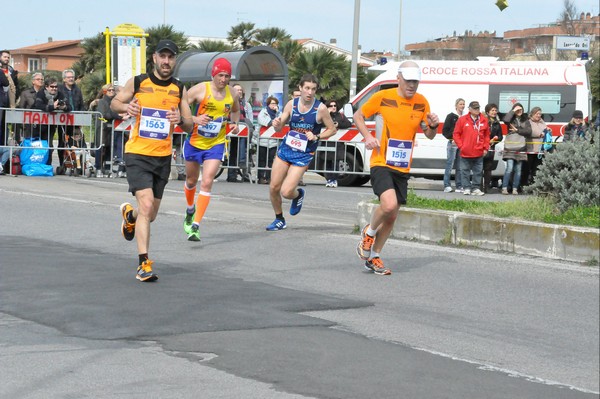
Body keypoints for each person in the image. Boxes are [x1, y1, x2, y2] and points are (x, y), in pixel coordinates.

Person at [110, 39, 193, 282]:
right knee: (146, 206)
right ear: (154, 58)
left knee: (150, 213)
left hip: (162, 157)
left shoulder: (179, 88)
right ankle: (143, 264)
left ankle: (130, 217)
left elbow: (188, 125)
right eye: (162, 56)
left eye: (171, 57)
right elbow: (115, 102)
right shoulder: (138, 82)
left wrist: (180, 118)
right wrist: (128, 108)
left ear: (174, 60)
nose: (166, 61)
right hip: (137, 153)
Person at [355, 61, 439, 275]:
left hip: (402, 165)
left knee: (392, 216)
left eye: (416, 81)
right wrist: (368, 136)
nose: (412, 85)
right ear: (399, 78)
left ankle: (374, 257)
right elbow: (358, 115)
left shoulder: (422, 103)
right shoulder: (383, 97)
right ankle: (369, 231)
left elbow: (428, 133)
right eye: (409, 80)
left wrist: (434, 126)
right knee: (389, 204)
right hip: (381, 161)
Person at [267, 74, 336, 231]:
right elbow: (279, 126)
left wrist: (317, 136)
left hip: (304, 154)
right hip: (286, 150)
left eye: (313, 89)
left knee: (286, 191)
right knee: (273, 187)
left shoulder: (321, 109)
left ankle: (298, 195)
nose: (309, 92)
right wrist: (276, 123)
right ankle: (279, 219)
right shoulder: (292, 104)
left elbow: (332, 129)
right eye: (306, 88)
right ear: (300, 88)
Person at [182, 57, 240, 242]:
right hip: (195, 141)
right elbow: (179, 107)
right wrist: (194, 119)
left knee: (206, 182)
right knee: (191, 181)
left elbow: (236, 110)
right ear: (213, 74)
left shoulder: (232, 93)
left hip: (216, 143)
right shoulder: (200, 89)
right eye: (221, 75)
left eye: (227, 76)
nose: (224, 79)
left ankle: (196, 226)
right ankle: (190, 209)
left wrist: (236, 123)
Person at [453, 101, 490, 196]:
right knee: (465, 171)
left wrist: (485, 148)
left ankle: (476, 188)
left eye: (478, 108)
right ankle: (466, 188)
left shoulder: (484, 120)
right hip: (466, 151)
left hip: (479, 151)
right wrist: (461, 146)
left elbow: (486, 135)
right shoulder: (462, 119)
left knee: (478, 171)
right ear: (469, 109)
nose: (477, 110)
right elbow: (456, 134)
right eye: (474, 108)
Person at [34, 77, 70, 166]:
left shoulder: (60, 94)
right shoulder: (41, 94)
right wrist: (52, 107)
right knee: (41, 145)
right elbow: (38, 105)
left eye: (56, 87)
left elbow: (69, 106)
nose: (54, 88)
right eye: (52, 86)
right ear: (46, 87)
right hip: (39, 125)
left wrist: (64, 107)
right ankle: (40, 164)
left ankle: (49, 165)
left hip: (53, 124)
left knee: (50, 145)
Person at [97, 84, 127, 177]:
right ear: (105, 92)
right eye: (109, 90)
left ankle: (107, 168)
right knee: (101, 147)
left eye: (113, 90)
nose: (112, 92)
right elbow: (105, 114)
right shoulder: (102, 102)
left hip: (113, 128)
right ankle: (98, 168)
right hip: (103, 128)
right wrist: (118, 116)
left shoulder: (116, 102)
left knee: (110, 148)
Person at [501, 102, 530, 195]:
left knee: (518, 169)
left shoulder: (526, 120)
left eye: (521, 109)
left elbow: (529, 131)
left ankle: (515, 188)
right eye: (517, 109)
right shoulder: (510, 119)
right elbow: (505, 120)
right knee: (509, 168)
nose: (519, 111)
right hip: (510, 147)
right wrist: (513, 111)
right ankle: (504, 187)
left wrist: (517, 130)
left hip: (521, 147)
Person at [58, 69, 84, 168]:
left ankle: (78, 162)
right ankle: (62, 163)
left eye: (72, 77)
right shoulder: (60, 89)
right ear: (64, 79)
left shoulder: (77, 89)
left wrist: (82, 115)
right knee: (62, 141)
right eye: (69, 77)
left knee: (78, 141)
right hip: (63, 119)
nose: (71, 79)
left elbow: (81, 104)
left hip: (76, 119)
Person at [227, 83, 253, 183]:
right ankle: (239, 163)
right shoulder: (230, 101)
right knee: (233, 152)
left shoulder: (243, 103)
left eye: (240, 90)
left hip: (241, 129)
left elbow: (245, 117)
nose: (239, 92)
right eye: (236, 90)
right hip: (232, 129)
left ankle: (232, 175)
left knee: (234, 151)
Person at [323, 100, 351, 187]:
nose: (333, 107)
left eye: (334, 105)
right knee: (327, 161)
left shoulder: (341, 115)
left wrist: (338, 124)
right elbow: (320, 123)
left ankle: (334, 179)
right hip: (327, 142)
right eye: (331, 106)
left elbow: (348, 123)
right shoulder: (325, 115)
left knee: (336, 161)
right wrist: (327, 114)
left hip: (338, 144)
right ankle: (329, 179)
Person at [442, 98, 465, 193]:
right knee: (450, 164)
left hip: (461, 144)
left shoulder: (465, 117)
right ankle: (446, 185)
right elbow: (445, 131)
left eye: (463, 104)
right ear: (456, 105)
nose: (462, 106)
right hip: (452, 144)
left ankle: (459, 186)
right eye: (460, 104)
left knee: (460, 166)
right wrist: (452, 138)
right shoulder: (451, 116)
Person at [256, 96, 280, 184]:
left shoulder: (279, 113)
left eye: (276, 103)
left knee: (271, 160)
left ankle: (270, 177)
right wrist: (273, 122)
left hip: (273, 141)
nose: (274, 105)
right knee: (262, 159)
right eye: (272, 103)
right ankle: (261, 177)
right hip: (262, 141)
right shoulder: (264, 112)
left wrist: (277, 114)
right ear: (268, 104)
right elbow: (264, 122)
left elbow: (281, 122)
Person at [523, 106, 547, 187]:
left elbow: (545, 130)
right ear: (532, 114)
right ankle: (524, 184)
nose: (538, 115)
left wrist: (548, 131)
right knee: (527, 168)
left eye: (540, 114)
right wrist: (539, 134)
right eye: (537, 114)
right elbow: (529, 132)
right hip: (530, 148)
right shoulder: (528, 122)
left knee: (536, 169)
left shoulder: (542, 123)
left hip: (540, 149)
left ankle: (534, 185)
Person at [481, 103, 503, 193]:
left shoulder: (497, 123)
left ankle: (486, 187)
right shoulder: (483, 121)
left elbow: (500, 136)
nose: (494, 112)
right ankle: (478, 187)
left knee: (488, 168)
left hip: (491, 148)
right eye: (492, 110)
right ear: (487, 112)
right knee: (479, 168)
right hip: (482, 148)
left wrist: (495, 140)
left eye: (495, 110)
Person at [17, 72, 44, 141]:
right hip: (29, 122)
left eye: (42, 79)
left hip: (43, 121)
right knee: (29, 142)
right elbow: (21, 107)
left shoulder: (46, 92)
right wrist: (22, 123)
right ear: (33, 81)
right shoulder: (26, 93)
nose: (40, 81)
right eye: (38, 79)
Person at [1, 50, 18, 146]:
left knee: (5, 128)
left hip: (9, 103)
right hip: (0, 103)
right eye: (4, 57)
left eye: (8, 57)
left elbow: (16, 87)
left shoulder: (12, 71)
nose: (7, 59)